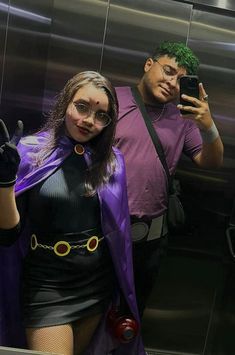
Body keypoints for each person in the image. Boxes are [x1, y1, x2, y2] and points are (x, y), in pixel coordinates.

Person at [0, 71, 146, 355]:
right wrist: (4, 183)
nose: (89, 120)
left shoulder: (111, 162)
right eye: (82, 106)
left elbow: (118, 234)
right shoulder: (31, 153)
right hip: (47, 287)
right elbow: (7, 235)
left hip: (94, 287)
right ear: (65, 102)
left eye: (101, 115)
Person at [114, 41, 224, 317]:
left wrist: (208, 125)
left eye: (180, 79)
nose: (173, 83)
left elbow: (211, 161)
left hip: (148, 243)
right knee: (92, 311)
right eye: (168, 71)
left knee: (129, 319)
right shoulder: (112, 100)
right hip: (101, 232)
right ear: (149, 65)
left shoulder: (183, 120)